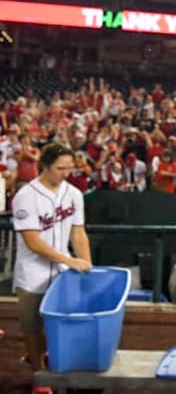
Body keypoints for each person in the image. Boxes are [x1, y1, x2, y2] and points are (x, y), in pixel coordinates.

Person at [12, 143, 93, 394]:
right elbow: (33, 241)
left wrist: (86, 262)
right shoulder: (26, 196)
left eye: (69, 168)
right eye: (60, 168)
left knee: (64, 323)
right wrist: (70, 261)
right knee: (32, 324)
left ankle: (43, 357)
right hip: (32, 272)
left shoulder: (74, 194)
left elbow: (78, 232)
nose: (66, 173)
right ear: (44, 166)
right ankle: (39, 374)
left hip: (62, 272)